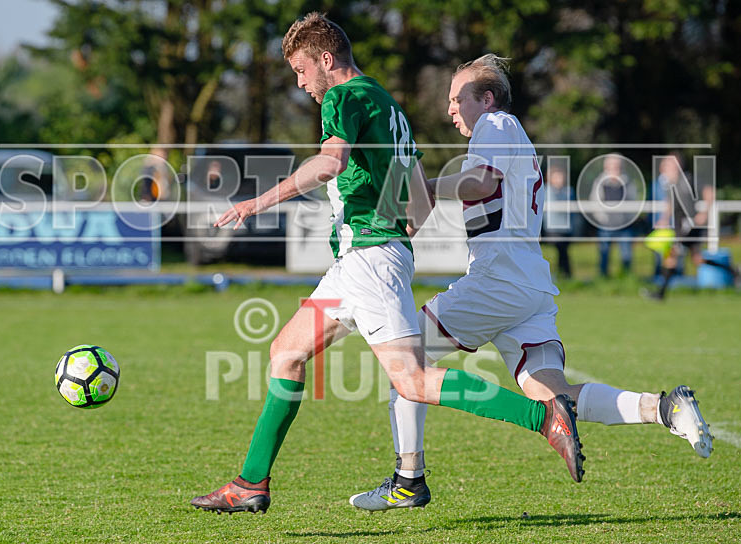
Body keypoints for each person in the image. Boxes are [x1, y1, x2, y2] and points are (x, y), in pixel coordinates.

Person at [189, 14, 583, 516]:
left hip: (369, 262)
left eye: (301, 69)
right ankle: (250, 484)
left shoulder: (343, 97)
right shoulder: (388, 106)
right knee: (285, 352)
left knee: (412, 380)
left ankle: (544, 417)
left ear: (326, 60)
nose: (300, 83)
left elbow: (331, 163)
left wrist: (255, 203)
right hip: (361, 260)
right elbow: (417, 205)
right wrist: (397, 227)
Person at [348, 54, 713, 512]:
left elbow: (480, 183)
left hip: (498, 279)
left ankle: (408, 480)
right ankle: (665, 408)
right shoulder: (501, 132)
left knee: (405, 364)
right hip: (527, 286)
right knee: (557, 400)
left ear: (486, 98)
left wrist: (424, 185)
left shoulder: (496, 125)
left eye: (457, 98)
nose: (450, 109)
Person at [646, 152, 741, 300]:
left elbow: (710, 192)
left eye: (667, 164)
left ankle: (660, 294)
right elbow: (670, 203)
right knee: (697, 259)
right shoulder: (671, 184)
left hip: (690, 226)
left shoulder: (688, 180)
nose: (663, 167)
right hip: (680, 227)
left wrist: (704, 213)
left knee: (671, 255)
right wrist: (664, 219)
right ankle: (734, 271)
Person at [589, 155, 637, 277]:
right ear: (606, 167)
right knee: (604, 254)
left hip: (625, 225)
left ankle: (626, 278)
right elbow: (594, 202)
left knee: (627, 255)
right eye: (612, 166)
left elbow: (633, 203)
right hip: (606, 225)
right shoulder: (599, 182)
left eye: (617, 166)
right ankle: (603, 279)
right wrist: (602, 219)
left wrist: (627, 219)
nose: (615, 168)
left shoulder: (628, 182)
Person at [543, 164, 574, 279]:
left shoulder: (568, 191)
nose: (559, 180)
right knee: (558, 251)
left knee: (564, 253)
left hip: (566, 228)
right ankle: (554, 275)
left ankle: (565, 276)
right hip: (552, 229)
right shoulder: (546, 191)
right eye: (556, 177)